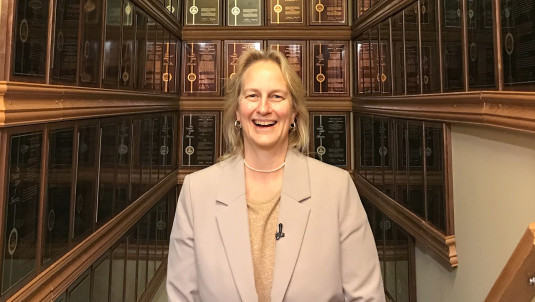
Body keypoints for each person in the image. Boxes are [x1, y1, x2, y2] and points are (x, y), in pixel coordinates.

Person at [167, 49, 385, 302]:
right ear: (237, 111)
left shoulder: (336, 189)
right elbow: (182, 296)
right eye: (252, 96)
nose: (263, 108)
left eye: (276, 96)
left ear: (294, 112)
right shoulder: (197, 192)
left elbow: (366, 296)